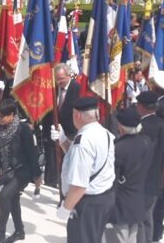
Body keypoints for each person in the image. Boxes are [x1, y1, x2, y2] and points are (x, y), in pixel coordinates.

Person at [57, 97, 116, 243]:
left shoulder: (83, 141)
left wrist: (66, 208)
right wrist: (63, 140)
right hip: (103, 199)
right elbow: (81, 161)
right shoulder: (104, 133)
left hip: (87, 204)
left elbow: (79, 184)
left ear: (77, 115)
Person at [0, 98, 42, 243]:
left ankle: (1, 232)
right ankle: (19, 231)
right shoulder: (0, 127)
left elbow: (32, 153)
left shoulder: (23, 130)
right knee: (13, 199)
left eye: (2, 116)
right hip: (8, 170)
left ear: (12, 114)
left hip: (23, 170)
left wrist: (37, 176)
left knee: (4, 196)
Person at [104, 107, 152, 243]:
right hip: (137, 202)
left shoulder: (118, 148)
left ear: (121, 127)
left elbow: (111, 180)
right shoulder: (146, 142)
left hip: (119, 206)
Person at [135, 91, 164, 243]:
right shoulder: (162, 124)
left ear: (142, 107)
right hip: (155, 177)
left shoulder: (143, 126)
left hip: (143, 179)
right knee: (148, 218)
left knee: (140, 218)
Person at [44, 63, 80, 187]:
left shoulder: (77, 88)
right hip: (54, 131)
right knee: (53, 159)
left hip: (71, 131)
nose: (59, 81)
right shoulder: (52, 88)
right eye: (57, 79)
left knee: (68, 161)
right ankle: (51, 181)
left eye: (62, 78)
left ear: (69, 75)